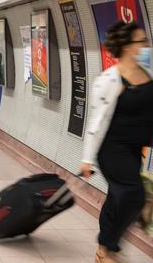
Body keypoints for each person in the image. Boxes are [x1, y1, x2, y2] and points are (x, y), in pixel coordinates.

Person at [81, 21, 153, 263]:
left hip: (134, 149)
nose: (146, 45)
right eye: (141, 41)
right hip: (111, 149)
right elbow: (96, 123)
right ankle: (108, 248)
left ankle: (103, 248)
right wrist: (87, 159)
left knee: (117, 197)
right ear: (127, 46)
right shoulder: (109, 80)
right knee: (133, 195)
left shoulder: (148, 72)